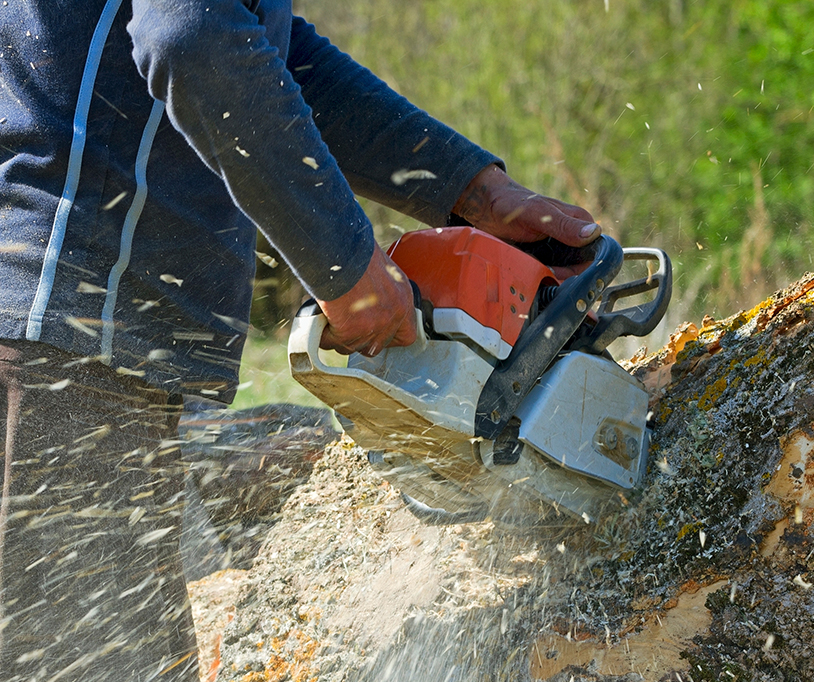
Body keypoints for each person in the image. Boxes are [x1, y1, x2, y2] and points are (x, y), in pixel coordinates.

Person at [0, 2, 599, 680]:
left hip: (63, 334)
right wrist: (344, 266)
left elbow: (269, 56)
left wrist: (472, 190)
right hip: (64, 341)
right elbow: (194, 39)